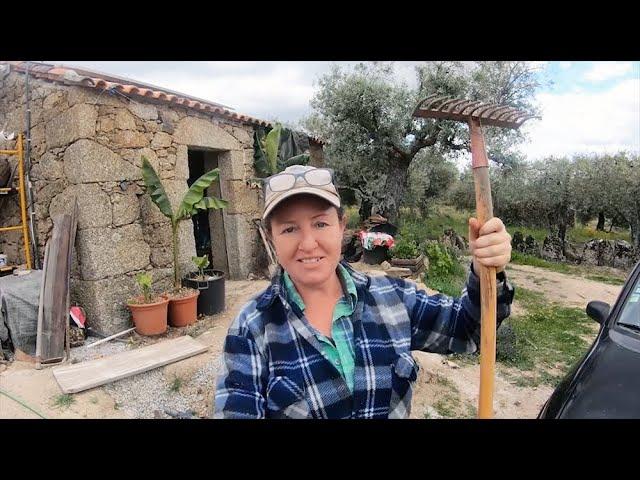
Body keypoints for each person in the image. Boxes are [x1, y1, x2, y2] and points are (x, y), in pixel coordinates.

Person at [213, 165, 514, 419]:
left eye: (320, 223)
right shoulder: (252, 328)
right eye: (289, 229)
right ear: (271, 238)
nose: (307, 243)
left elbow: (469, 329)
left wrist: (485, 269)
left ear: (341, 227)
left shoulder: (393, 299)